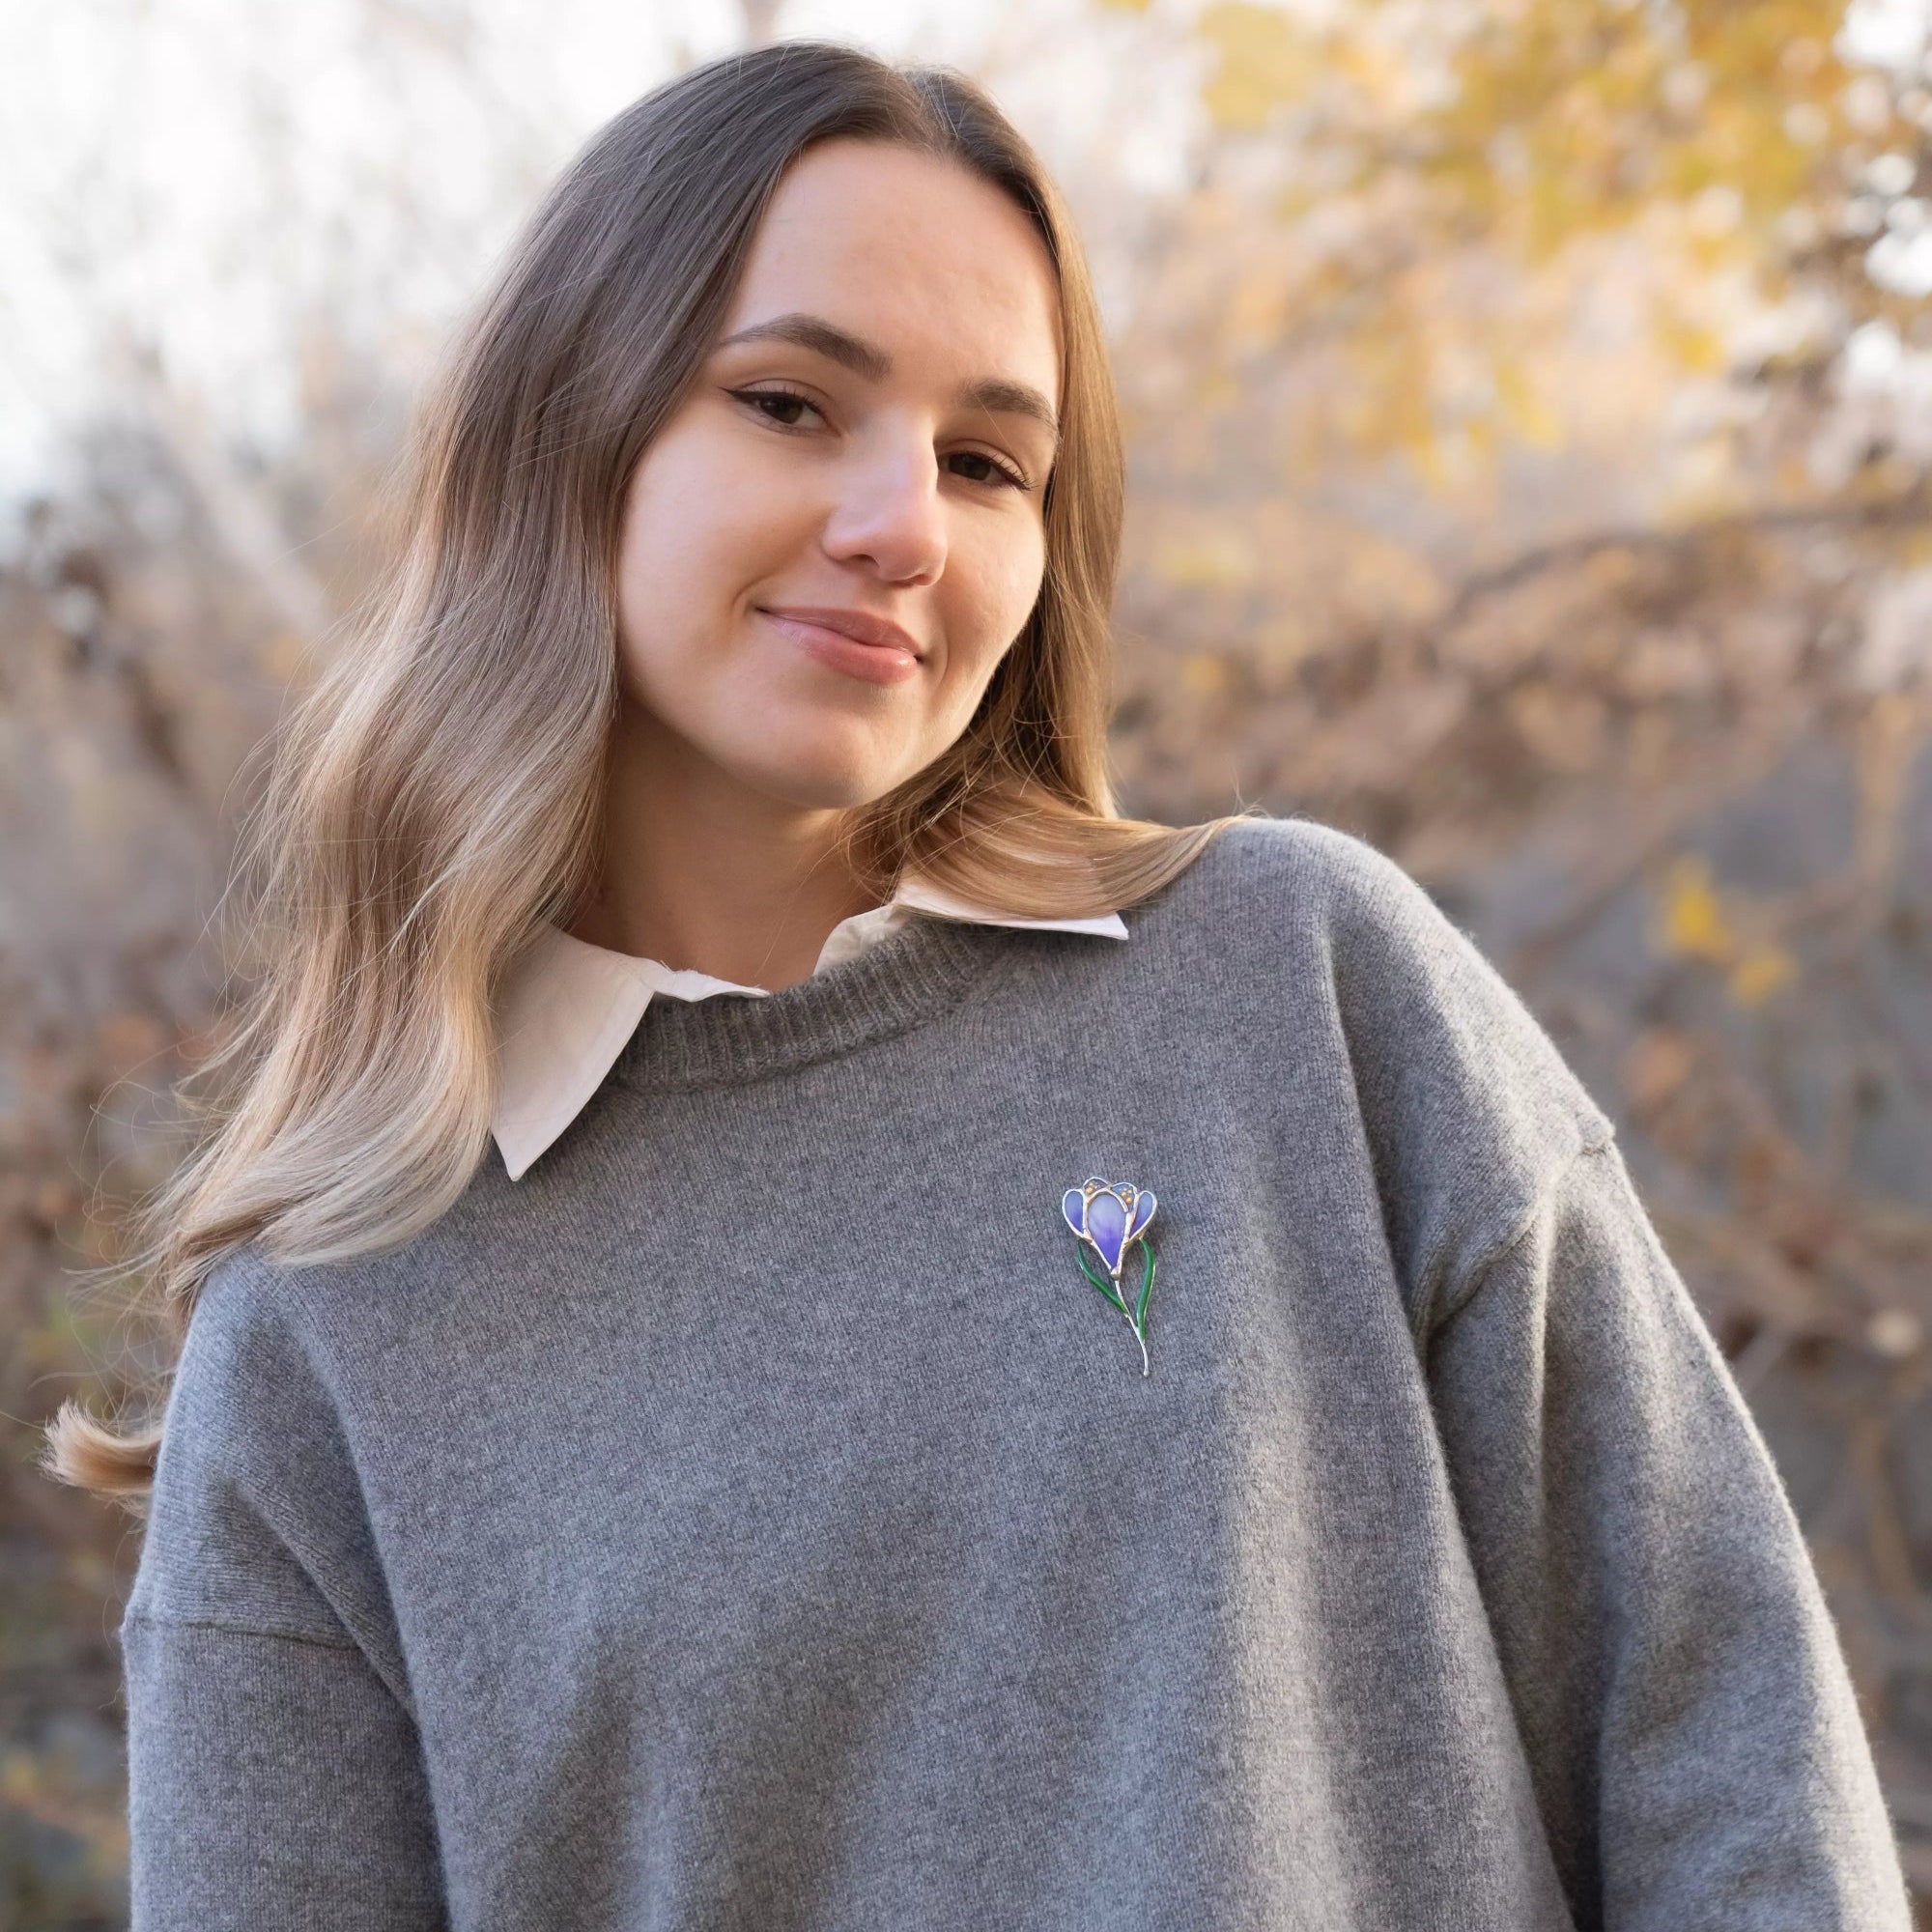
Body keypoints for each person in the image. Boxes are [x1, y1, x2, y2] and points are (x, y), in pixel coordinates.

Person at [44, 40, 1915, 1932]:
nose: (906, 527)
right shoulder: (334, 1332)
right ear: (563, 440)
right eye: (790, 403)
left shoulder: (1298, 992)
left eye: (985, 460)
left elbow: (1726, 1756)